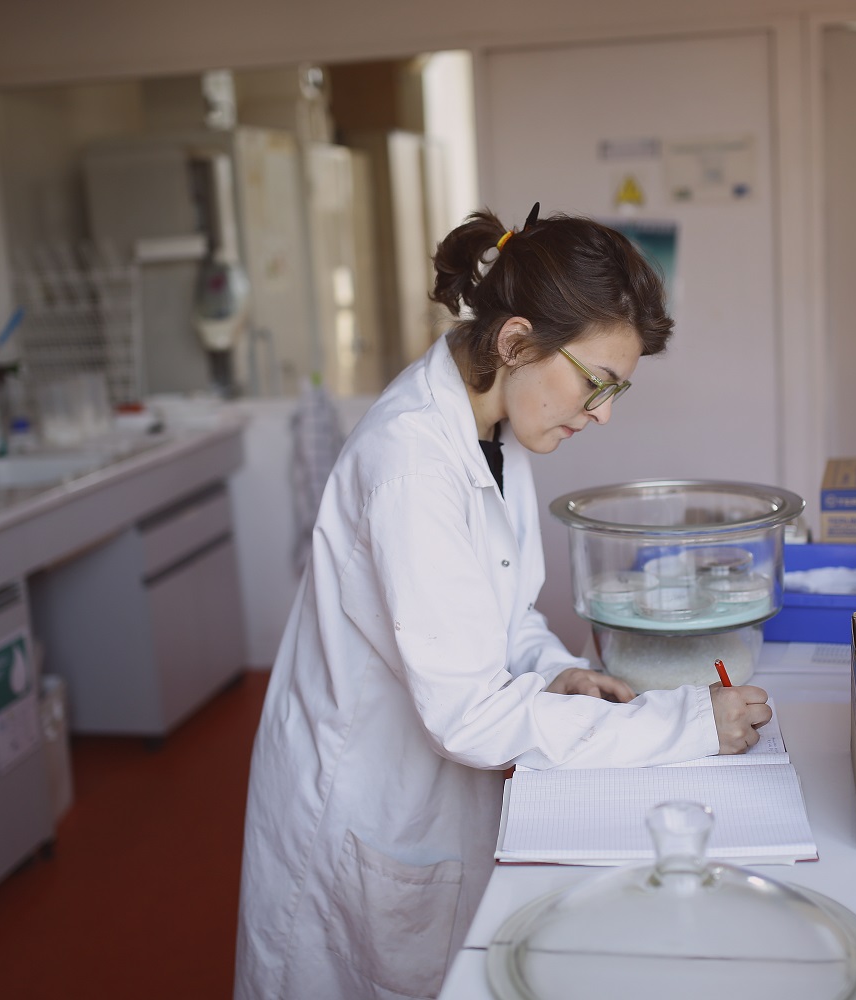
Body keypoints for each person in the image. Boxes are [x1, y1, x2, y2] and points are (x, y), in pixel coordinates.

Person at [234, 204, 773, 1000]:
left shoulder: (490, 427)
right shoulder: (413, 465)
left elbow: (502, 609)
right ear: (517, 341)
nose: (604, 414)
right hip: (365, 804)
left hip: (427, 791)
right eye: (597, 384)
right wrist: (685, 723)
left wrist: (557, 673)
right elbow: (466, 714)